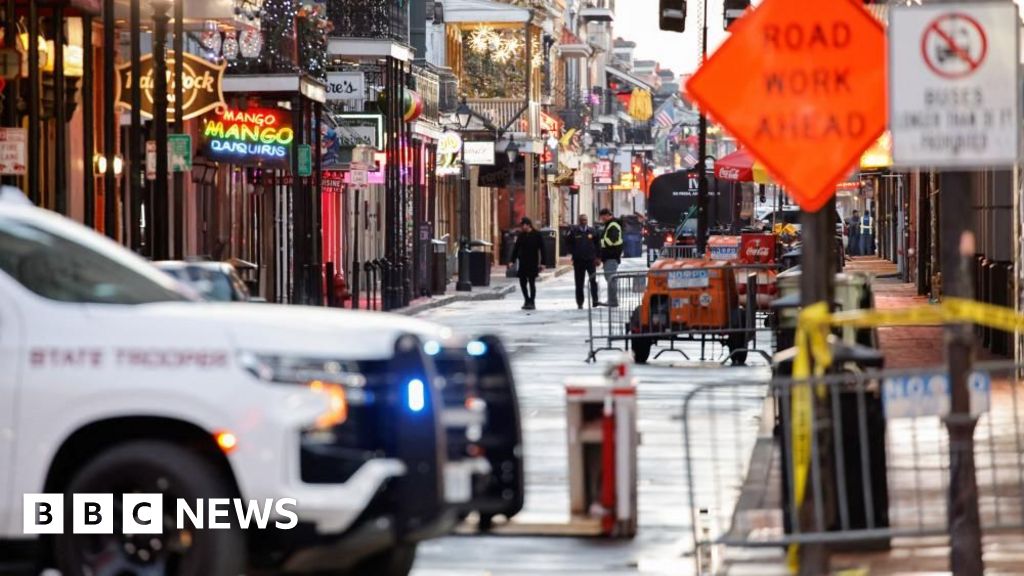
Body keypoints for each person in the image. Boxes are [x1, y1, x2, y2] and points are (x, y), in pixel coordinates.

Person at [566, 213, 600, 309]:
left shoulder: (593, 231)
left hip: (590, 260)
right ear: (579, 221)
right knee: (579, 283)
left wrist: (598, 257)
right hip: (579, 261)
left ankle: (595, 300)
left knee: (593, 281)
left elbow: (598, 245)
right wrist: (574, 252)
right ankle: (580, 302)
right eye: (582, 220)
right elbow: (568, 243)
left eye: (585, 220)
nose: (583, 222)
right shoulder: (574, 232)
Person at [511, 217, 544, 310]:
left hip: (533, 262)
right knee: (522, 282)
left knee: (532, 282)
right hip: (523, 262)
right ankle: (526, 299)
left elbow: (542, 249)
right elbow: (516, 249)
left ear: (528, 225)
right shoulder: (521, 236)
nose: (522, 227)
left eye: (523, 225)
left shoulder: (537, 235)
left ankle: (532, 301)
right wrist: (511, 261)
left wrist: (543, 263)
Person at [598, 208, 623, 307]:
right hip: (609, 256)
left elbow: (612, 240)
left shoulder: (613, 225)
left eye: (603, 216)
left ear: (608, 215)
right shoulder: (610, 225)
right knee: (609, 278)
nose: (601, 219)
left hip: (612, 256)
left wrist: (600, 241)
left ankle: (613, 301)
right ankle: (611, 300)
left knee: (611, 278)